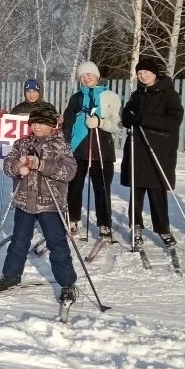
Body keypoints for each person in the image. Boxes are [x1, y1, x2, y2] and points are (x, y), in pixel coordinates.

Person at [0, 104, 78, 304]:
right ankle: (11, 276)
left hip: (50, 204)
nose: (37, 127)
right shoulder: (22, 143)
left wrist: (40, 165)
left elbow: (69, 172)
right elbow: (7, 165)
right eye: (34, 123)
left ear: (52, 125)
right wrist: (17, 168)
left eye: (42, 123)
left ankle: (67, 283)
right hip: (24, 202)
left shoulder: (61, 145)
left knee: (57, 244)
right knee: (19, 242)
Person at [120, 57, 185, 249]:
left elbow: (173, 121)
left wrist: (143, 119)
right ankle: (136, 226)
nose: (143, 76)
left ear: (155, 73)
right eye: (139, 73)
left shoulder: (169, 95)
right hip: (137, 149)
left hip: (159, 150)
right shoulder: (137, 94)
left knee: (157, 192)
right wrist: (129, 118)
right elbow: (126, 116)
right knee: (136, 191)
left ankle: (163, 229)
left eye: (146, 72)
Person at [62, 61, 121, 242]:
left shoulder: (110, 96)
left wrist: (101, 123)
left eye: (89, 74)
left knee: (102, 188)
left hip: (102, 149)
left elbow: (117, 125)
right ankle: (73, 220)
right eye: (82, 76)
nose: (86, 78)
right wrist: (66, 143)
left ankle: (104, 224)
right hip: (79, 148)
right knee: (74, 187)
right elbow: (68, 123)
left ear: (96, 75)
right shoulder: (76, 97)